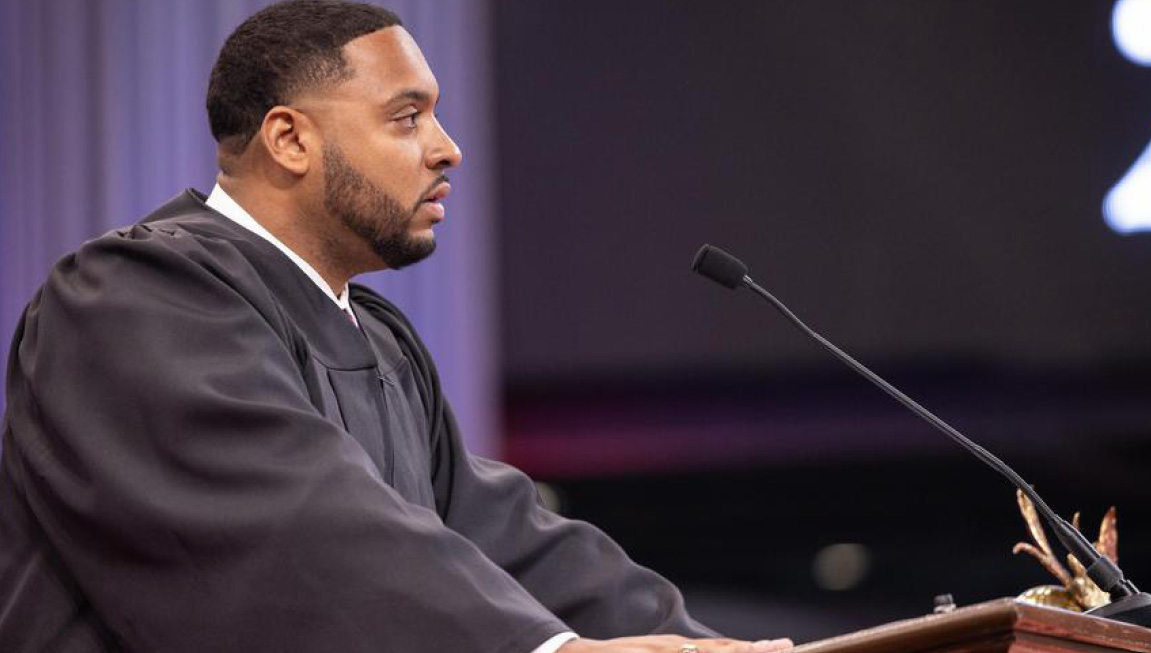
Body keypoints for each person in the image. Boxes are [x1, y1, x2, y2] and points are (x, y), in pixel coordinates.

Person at [0, 2, 793, 652]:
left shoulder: (377, 337)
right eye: (406, 116)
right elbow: (300, 536)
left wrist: (696, 643)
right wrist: (545, 651)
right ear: (290, 139)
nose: (447, 149)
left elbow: (506, 541)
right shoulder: (128, 297)